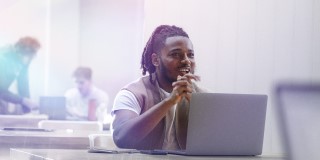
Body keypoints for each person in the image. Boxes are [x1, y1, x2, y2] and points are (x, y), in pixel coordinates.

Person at [111, 25, 205, 150]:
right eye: (176, 54)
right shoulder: (132, 94)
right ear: (156, 60)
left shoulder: (203, 97)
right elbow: (121, 138)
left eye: (190, 55)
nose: (186, 60)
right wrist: (170, 101)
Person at [0, 36, 41, 114]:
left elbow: (23, 85)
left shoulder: (24, 62)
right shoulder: (2, 58)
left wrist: (28, 109)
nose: (30, 60)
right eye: (30, 56)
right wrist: (22, 100)